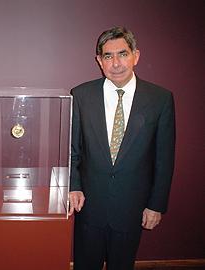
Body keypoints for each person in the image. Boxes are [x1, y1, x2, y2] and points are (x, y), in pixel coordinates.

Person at [69, 26, 175, 270]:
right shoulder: (81, 95)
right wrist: (74, 185)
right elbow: (72, 149)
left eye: (123, 54)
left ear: (136, 55)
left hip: (132, 206)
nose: (116, 63)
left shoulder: (160, 99)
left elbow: (164, 158)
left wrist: (156, 204)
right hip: (89, 205)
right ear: (99, 61)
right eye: (108, 56)